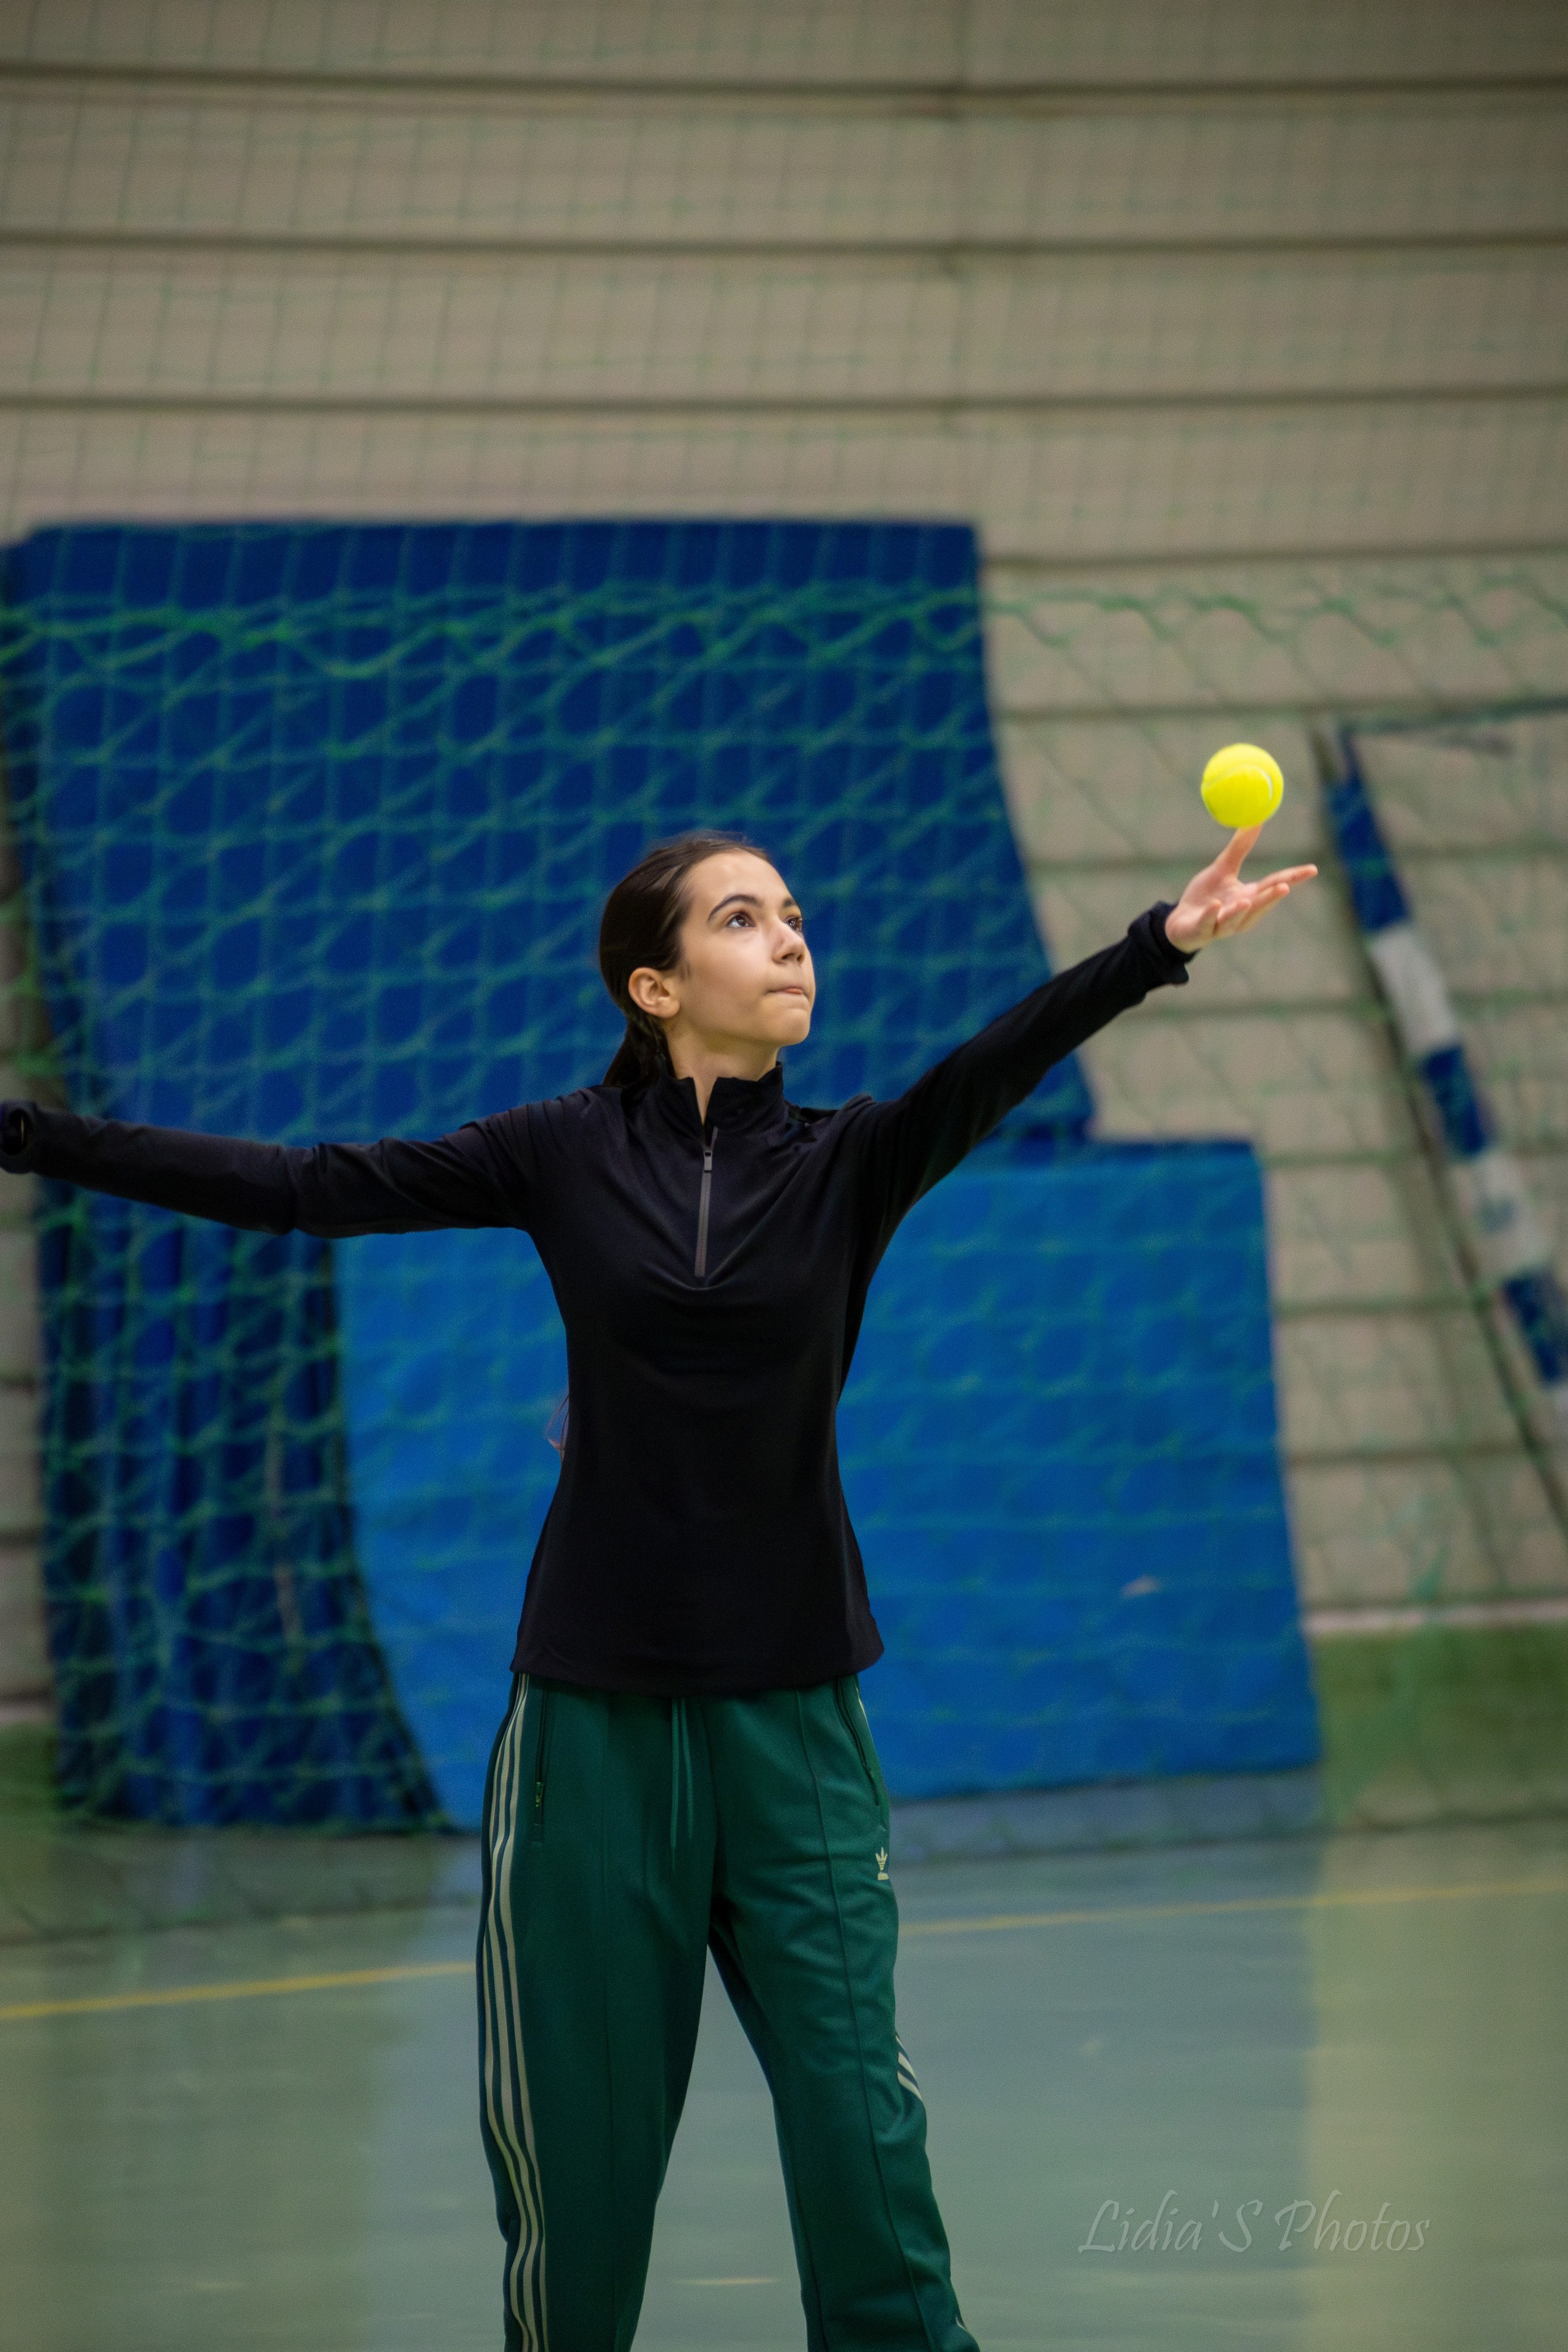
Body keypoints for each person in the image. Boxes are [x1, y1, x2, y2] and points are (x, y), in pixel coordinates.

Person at [0, 820, 1314, 2350]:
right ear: (653, 982)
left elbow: (997, 1057)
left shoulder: (850, 1161)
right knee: (580, 2163)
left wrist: (1157, 945)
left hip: (795, 1722)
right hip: (591, 1729)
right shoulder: (556, 1153)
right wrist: (27, 1135)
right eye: (744, 919)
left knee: (858, 2131)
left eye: (795, 917)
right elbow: (302, 1186)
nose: (790, 941)